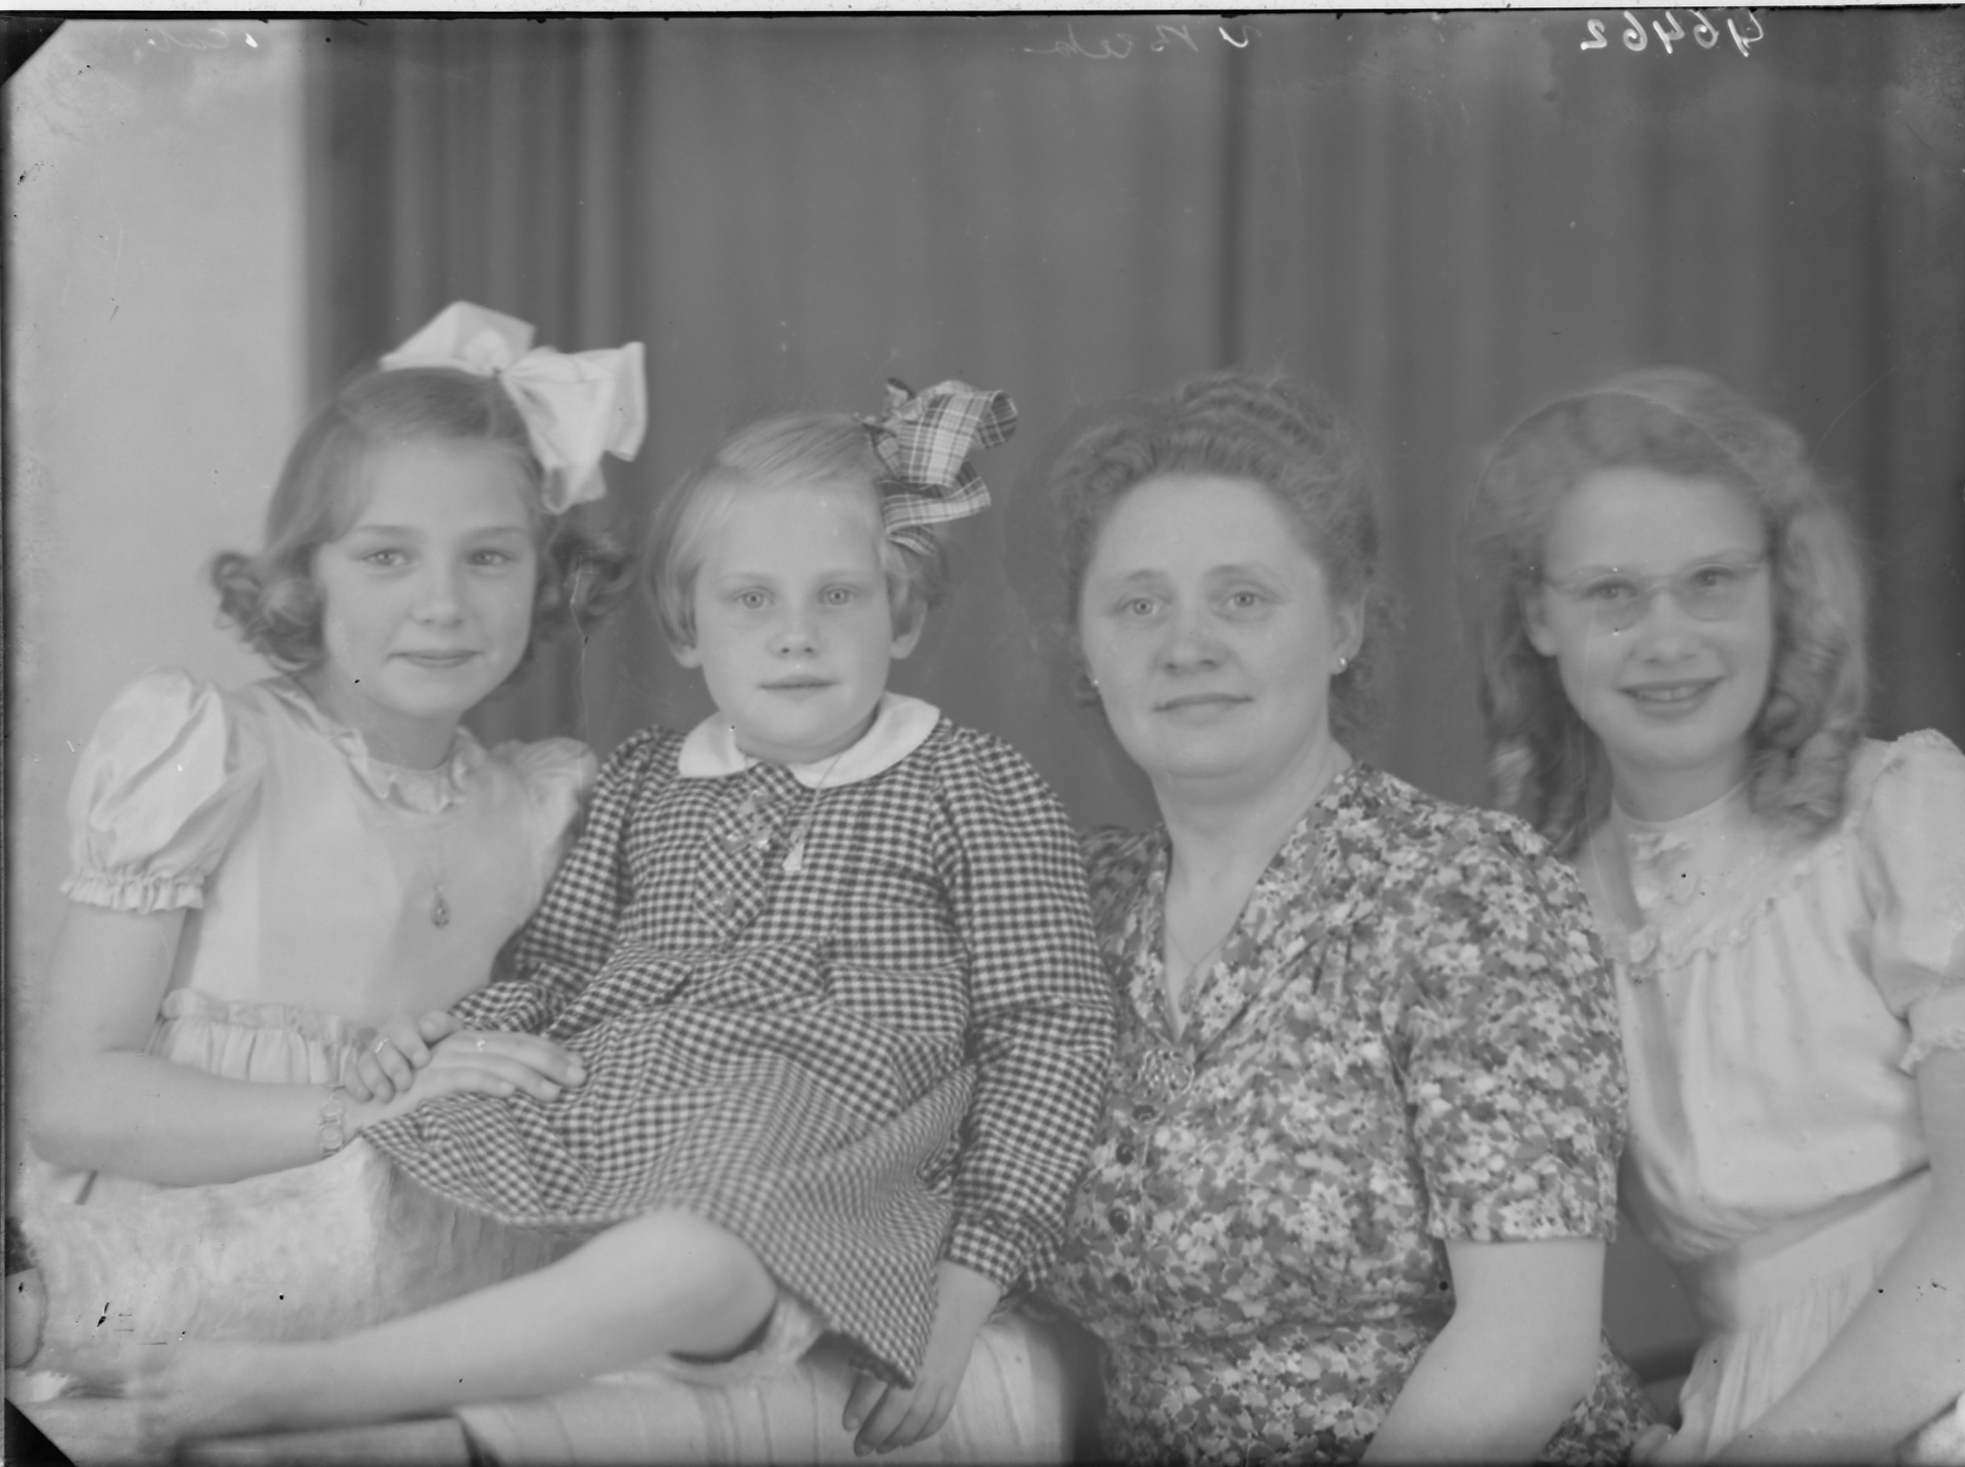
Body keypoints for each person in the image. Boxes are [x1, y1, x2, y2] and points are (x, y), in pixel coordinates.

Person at [16, 379, 1113, 1460]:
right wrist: (443, 1043)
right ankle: (54, 1305)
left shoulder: (973, 788)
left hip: (811, 1173)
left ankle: (314, 1387)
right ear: (686, 630)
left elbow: (1051, 1033)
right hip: (585, 1137)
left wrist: (967, 1282)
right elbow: (552, 976)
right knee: (386, 1205)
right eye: (750, 600)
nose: (795, 636)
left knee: (698, 1251)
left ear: (902, 614)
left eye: (838, 595)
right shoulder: (637, 785)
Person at [1039, 370, 1655, 1463]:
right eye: (1137, 604)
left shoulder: (1467, 889)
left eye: (1242, 598)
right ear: (1087, 651)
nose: (1186, 644)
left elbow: (1529, 1348)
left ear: (1343, 625)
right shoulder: (1065, 910)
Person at [7, 300, 640, 1363]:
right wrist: (356, 1110)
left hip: (388, 1273)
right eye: (388, 556)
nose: (443, 603)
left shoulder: (539, 812)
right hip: (164, 1246)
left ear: (549, 579)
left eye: (489, 558)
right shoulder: (210, 754)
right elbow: (71, 1101)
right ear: (305, 575)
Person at [1462, 367, 1965, 1462]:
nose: (1667, 638)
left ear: (1783, 589)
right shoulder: (1535, 911)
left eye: (1711, 580)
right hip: (1740, 1405)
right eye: (1611, 593)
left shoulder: (1909, 817)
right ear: (1537, 615)